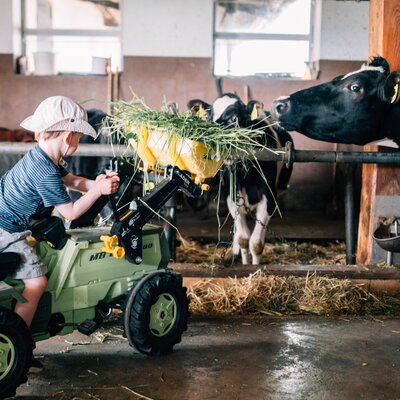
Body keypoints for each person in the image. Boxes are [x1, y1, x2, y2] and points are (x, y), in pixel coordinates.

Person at [0, 95, 120, 333]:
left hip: (5, 222)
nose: (78, 141)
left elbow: (73, 181)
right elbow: (71, 212)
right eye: (78, 137)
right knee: (37, 283)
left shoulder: (42, 157)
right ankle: (19, 338)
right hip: (6, 231)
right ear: (67, 137)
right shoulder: (45, 171)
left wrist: (96, 183)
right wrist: (98, 191)